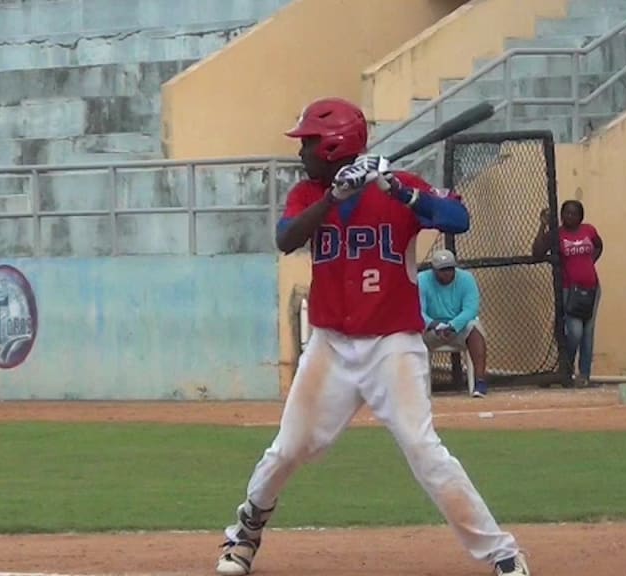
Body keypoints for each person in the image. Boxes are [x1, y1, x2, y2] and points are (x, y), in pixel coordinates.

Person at [215, 97, 531, 576]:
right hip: (331, 346)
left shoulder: (399, 187)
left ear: (333, 145)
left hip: (393, 345)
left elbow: (457, 219)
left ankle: (502, 553)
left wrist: (399, 191)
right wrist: (333, 198)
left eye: (309, 143)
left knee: (424, 449)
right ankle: (245, 534)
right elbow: (286, 239)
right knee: (289, 448)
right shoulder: (308, 194)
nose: (302, 151)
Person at [531, 200, 602, 388]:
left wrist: (589, 263)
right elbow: (537, 253)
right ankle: (566, 369)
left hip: (592, 288)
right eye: (567, 213)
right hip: (569, 290)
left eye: (574, 213)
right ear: (561, 215)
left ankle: (584, 375)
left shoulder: (589, 230)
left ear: (581, 216)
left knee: (588, 333)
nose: (570, 216)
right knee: (575, 332)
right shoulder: (557, 234)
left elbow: (598, 246)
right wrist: (543, 225)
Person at [418, 248, 489, 397]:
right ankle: (416, 386)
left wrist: (453, 326)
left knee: (474, 327)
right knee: (410, 334)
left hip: (458, 328)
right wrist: (434, 324)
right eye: (442, 270)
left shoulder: (466, 279)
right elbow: (418, 311)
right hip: (431, 330)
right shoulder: (422, 280)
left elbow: (471, 309)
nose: (447, 273)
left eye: (450, 268)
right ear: (434, 270)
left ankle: (480, 382)